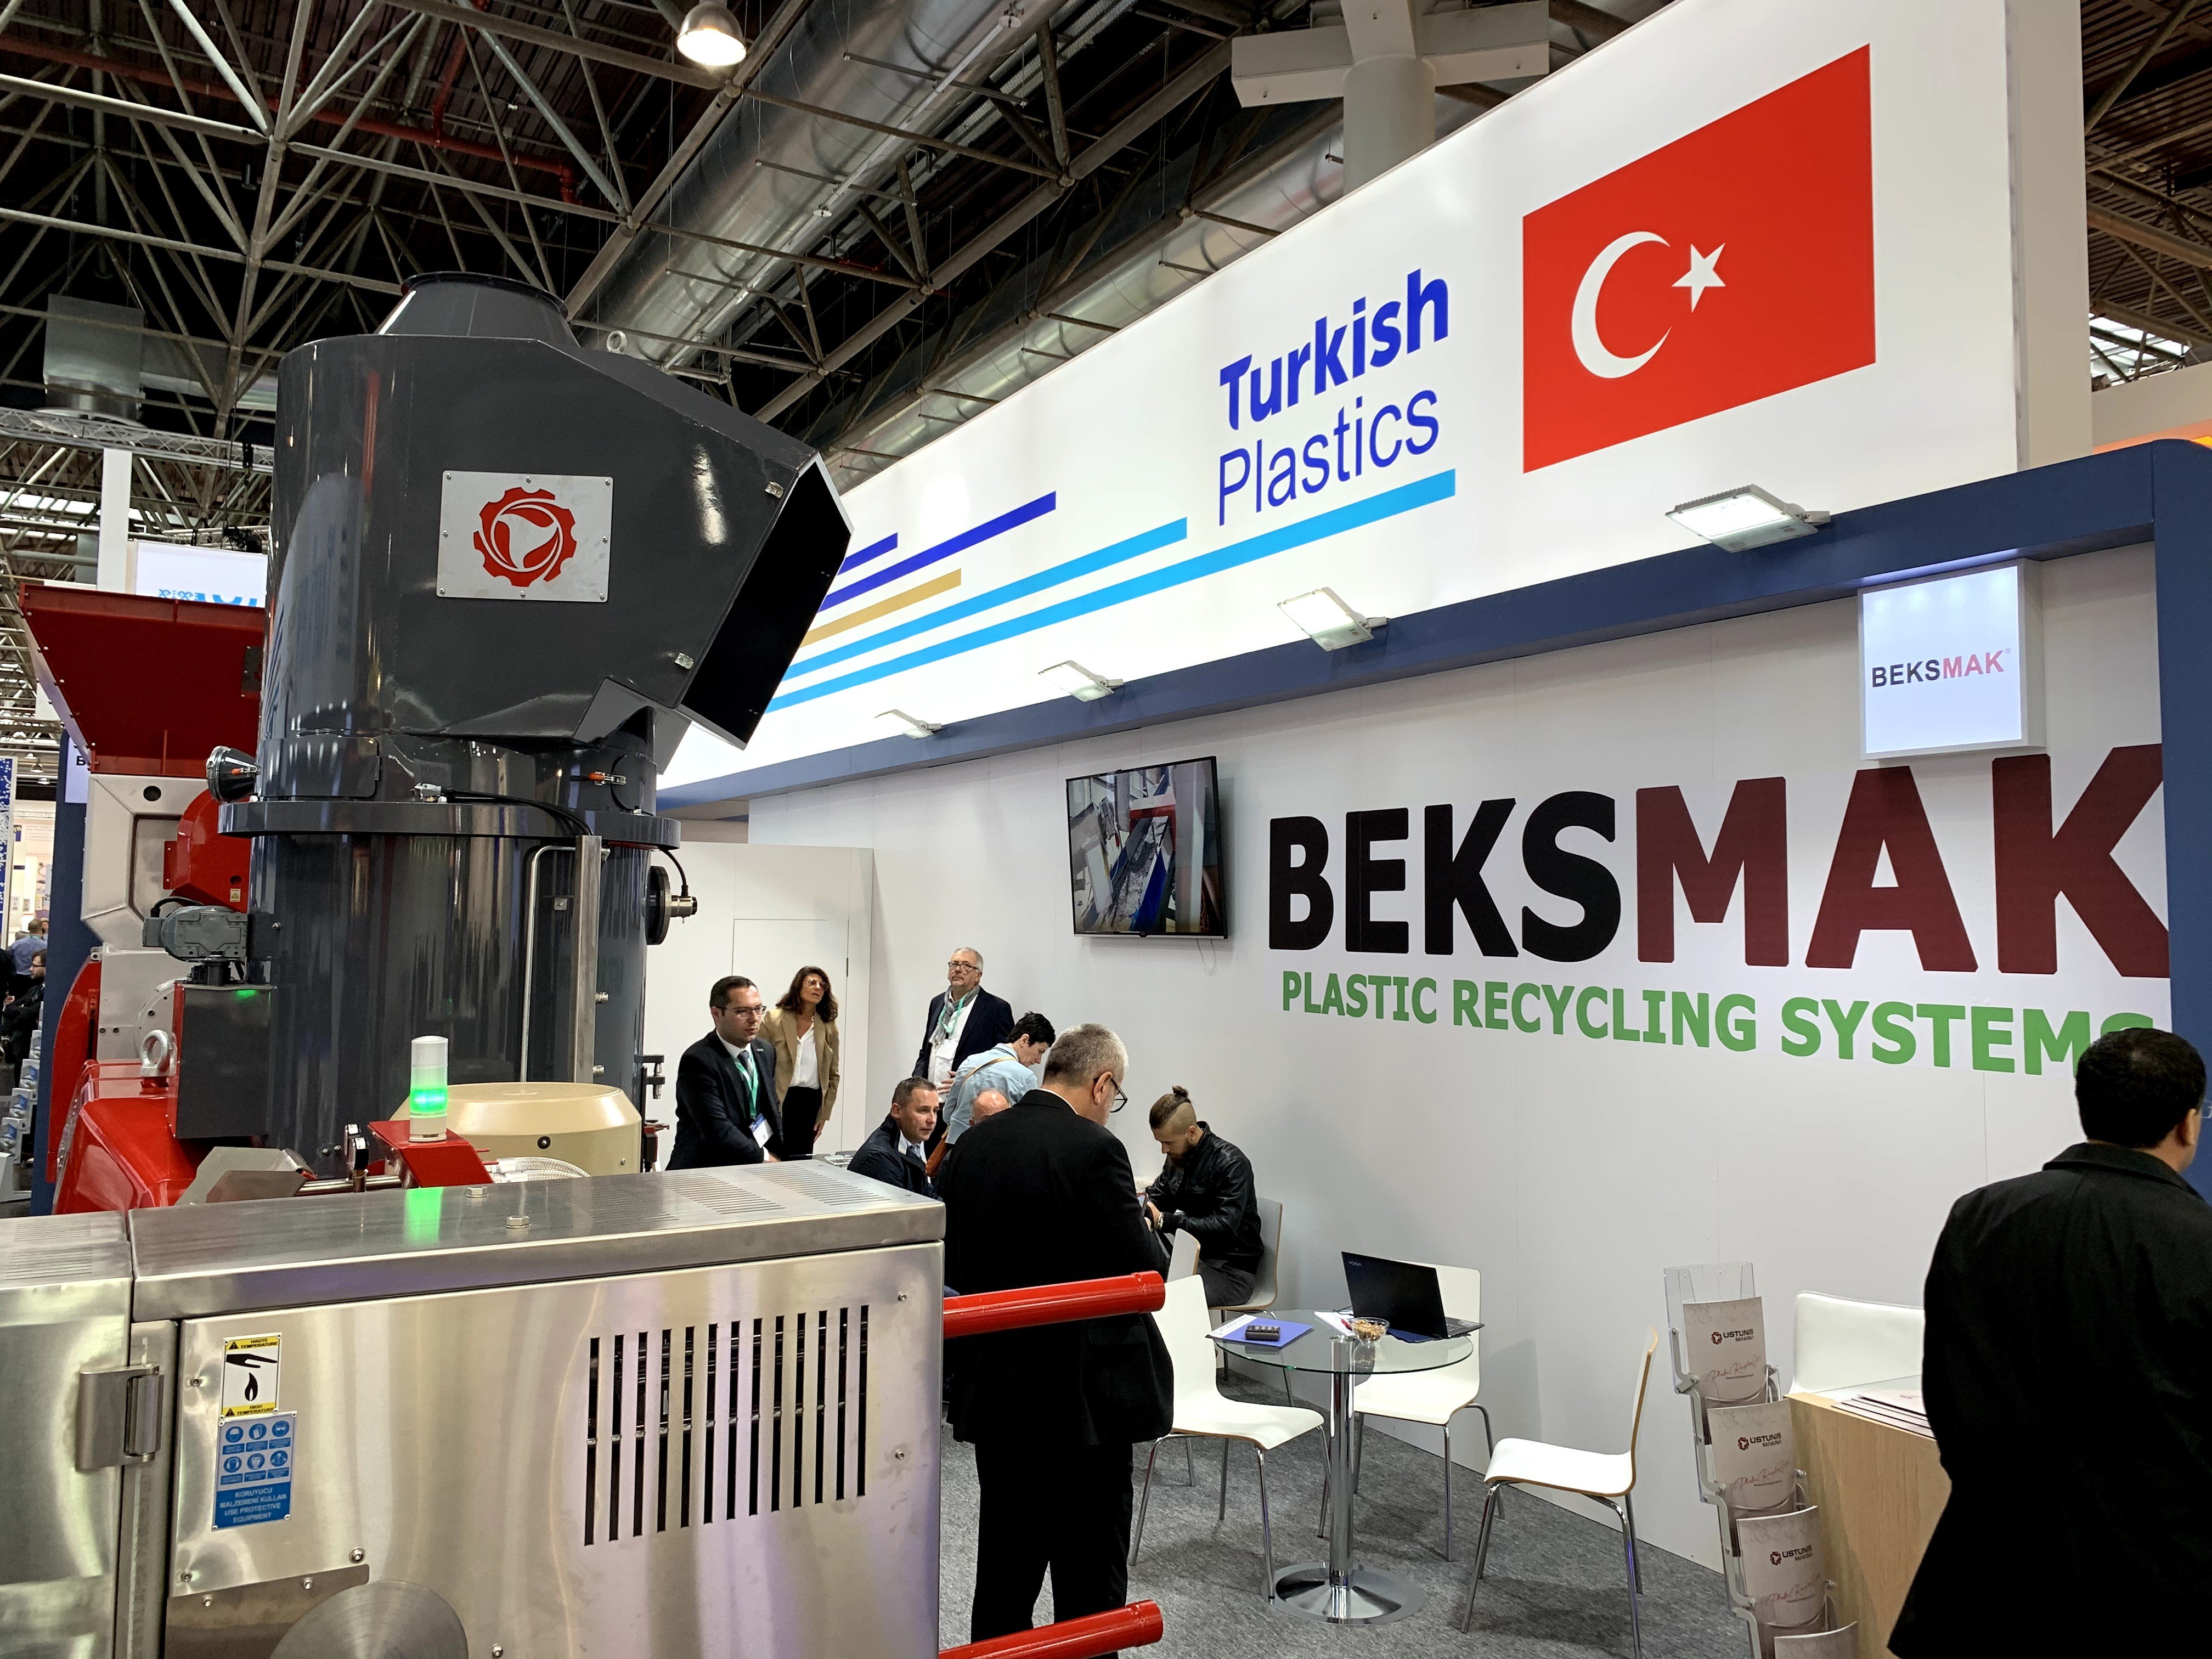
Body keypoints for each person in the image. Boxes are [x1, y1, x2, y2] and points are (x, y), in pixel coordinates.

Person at [1892, 1026, 2212, 1654]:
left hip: (1991, 1582)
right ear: (2188, 1124)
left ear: (2085, 1108)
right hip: (2161, 1598)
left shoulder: (1979, 1216)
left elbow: (1947, 1394)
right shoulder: (2199, 1245)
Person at [939, 1024, 1170, 1652]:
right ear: (1102, 1084)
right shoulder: (1096, 1149)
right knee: (1090, 1585)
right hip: (1082, 1402)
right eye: (1115, 1097)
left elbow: (954, 1261)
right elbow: (1146, 1270)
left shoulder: (975, 1145)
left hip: (998, 1391)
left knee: (1004, 1576)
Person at [1143, 1087, 1263, 1308]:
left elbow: (1224, 1226)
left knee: (1168, 1301)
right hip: (1194, 1262)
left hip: (1232, 1272)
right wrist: (1147, 1211)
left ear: (1191, 1133)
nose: (1163, 1150)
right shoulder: (1178, 1156)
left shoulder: (1232, 1163)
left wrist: (1164, 1221)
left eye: (1168, 1143)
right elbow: (1160, 1194)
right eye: (1160, 1142)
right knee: (1139, 1288)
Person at [665, 976, 786, 1169]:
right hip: (706, 1170)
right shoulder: (698, 1060)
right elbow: (717, 1130)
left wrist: (779, 1157)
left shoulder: (765, 1051)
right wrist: (764, 1158)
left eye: (758, 1009)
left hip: (753, 1168)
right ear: (716, 1014)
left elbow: (770, 1108)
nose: (754, 1019)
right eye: (742, 1012)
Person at [760, 964, 842, 1160]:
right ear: (799, 986)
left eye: (823, 985)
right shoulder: (774, 1019)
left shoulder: (828, 1025)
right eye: (812, 982)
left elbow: (833, 1074)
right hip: (778, 1098)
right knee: (773, 1158)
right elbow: (758, 1062)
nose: (818, 988)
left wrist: (824, 1114)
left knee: (801, 1160)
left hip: (809, 1102)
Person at [914, 946, 1013, 1099]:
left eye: (966, 966)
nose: (958, 969)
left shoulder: (996, 1009)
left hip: (968, 1100)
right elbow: (926, 1051)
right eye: (954, 964)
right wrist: (917, 1084)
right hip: (931, 1100)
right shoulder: (938, 1003)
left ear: (978, 975)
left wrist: (969, 1081)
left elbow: (1004, 1062)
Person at [944, 1012, 1056, 1146]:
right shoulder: (1026, 1078)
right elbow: (1028, 1127)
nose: (1039, 1060)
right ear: (1024, 1040)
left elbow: (947, 1113)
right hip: (995, 1149)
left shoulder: (970, 1062)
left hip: (956, 1145)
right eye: (1040, 1051)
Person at [845, 1077, 940, 1197]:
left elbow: (928, 1196)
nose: (932, 1120)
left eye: (935, 1111)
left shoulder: (910, 1143)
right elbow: (903, 1207)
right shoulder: (880, 1159)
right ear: (897, 1111)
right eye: (923, 1111)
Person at [2, 949, 41, 1066]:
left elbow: (30, 1013)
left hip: (29, 1047)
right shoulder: (34, 990)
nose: (30, 969)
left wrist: (20, 1011)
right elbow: (11, 1008)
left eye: (35, 966)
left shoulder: (45, 994)